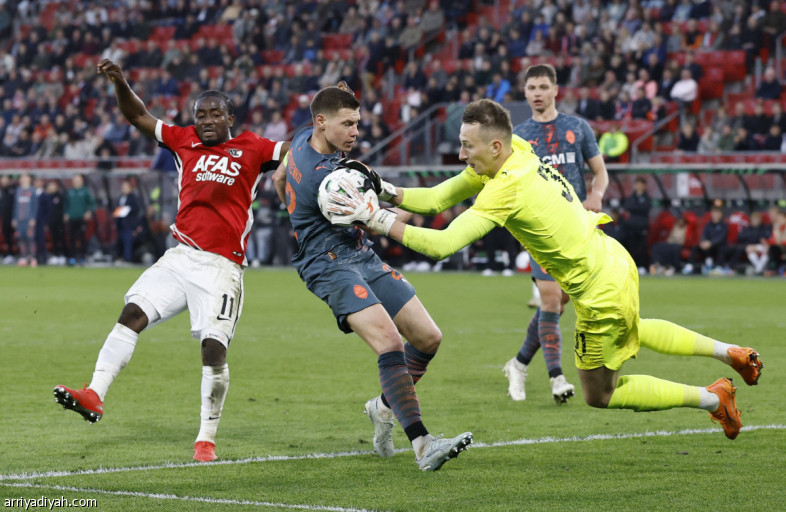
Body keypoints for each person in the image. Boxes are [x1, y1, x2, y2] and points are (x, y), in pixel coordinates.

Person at [327, 98, 763, 441]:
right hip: (613, 257)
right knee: (634, 328)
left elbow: (443, 245)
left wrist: (376, 219)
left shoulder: (505, 188)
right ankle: (730, 352)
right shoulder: (516, 148)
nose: (461, 154)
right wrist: (385, 189)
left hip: (597, 291)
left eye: (467, 146)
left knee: (600, 394)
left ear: (493, 146)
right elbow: (440, 197)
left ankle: (714, 399)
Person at [53, 59, 289, 463]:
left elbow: (299, 147)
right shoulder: (183, 140)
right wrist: (120, 82)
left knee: (213, 349)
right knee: (131, 314)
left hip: (221, 268)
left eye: (216, 114)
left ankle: (206, 439)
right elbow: (137, 116)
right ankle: (94, 393)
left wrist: (327, 117)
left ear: (231, 118)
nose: (207, 120)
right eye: (201, 114)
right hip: (180, 257)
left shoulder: (254, 147)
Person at [270, 82, 472, 471]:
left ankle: (382, 407)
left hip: (359, 253)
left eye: (357, 123)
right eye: (348, 124)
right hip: (328, 263)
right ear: (322, 121)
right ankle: (423, 444)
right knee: (389, 342)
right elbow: (385, 221)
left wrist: (299, 219)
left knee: (428, 337)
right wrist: (440, 203)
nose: (356, 132)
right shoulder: (328, 179)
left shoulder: (301, 139)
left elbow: (280, 178)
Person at [505, 64, 609, 404]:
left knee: (560, 304)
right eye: (531, 88)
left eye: (542, 87)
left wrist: (596, 195)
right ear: (525, 93)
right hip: (540, 229)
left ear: (555, 90)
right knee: (550, 300)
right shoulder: (518, 137)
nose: (537, 93)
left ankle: (519, 364)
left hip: (576, 229)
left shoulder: (577, 127)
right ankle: (557, 378)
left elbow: (600, 171)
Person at [64, 173, 96, 266]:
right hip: (72, 219)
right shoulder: (70, 192)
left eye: (78, 180)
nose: (76, 182)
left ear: (82, 181)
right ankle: (72, 258)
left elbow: (92, 204)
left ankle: (82, 257)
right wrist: (65, 213)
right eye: (75, 180)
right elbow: (66, 204)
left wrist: (89, 212)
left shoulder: (85, 191)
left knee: (82, 239)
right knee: (71, 239)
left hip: (82, 219)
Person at [12, 173, 37, 266]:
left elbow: (35, 206)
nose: (24, 179)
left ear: (29, 179)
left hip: (28, 219)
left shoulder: (32, 191)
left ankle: (32, 257)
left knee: (30, 238)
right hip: (19, 219)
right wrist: (14, 218)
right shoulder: (18, 191)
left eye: (25, 177)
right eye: (22, 177)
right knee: (21, 238)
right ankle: (23, 257)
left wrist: (33, 218)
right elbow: (15, 206)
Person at [113, 178, 141, 264]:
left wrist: (127, 209)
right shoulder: (120, 198)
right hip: (120, 224)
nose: (124, 188)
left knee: (127, 242)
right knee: (120, 242)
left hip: (129, 225)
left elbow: (136, 209)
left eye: (126, 187)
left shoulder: (133, 198)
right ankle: (120, 257)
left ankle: (127, 259)